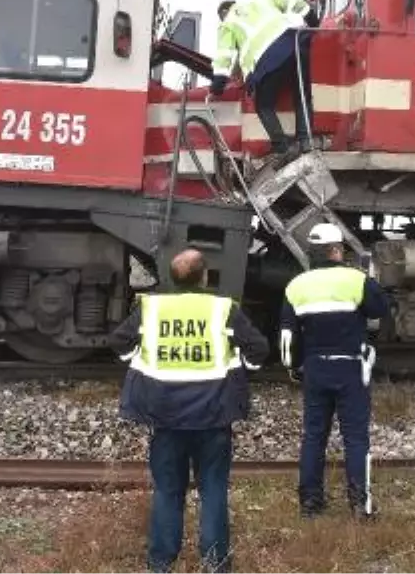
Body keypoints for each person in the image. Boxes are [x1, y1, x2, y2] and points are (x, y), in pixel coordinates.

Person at [110, 247, 270, 574]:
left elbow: (119, 342)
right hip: (213, 416)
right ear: (205, 276)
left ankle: (161, 563)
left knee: (168, 490)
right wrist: (240, 368)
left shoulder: (152, 308)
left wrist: (139, 363)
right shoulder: (222, 308)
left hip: (165, 416)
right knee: (213, 490)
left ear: (171, 277)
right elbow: (259, 349)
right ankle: (215, 563)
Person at [279, 222, 389, 520]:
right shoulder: (355, 280)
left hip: (315, 369)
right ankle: (359, 505)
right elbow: (381, 310)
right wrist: (370, 281)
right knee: (355, 438)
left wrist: (294, 369)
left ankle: (310, 504)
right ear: (336, 250)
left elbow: (288, 339)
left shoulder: (296, 286)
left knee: (314, 436)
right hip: (350, 368)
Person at [210, 0, 320, 165]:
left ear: (223, 13)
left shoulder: (228, 23)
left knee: (263, 105)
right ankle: (305, 140)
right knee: (302, 94)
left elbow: (225, 55)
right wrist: (313, 19)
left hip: (267, 59)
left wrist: (218, 84)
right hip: (294, 43)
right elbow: (294, 1)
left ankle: (282, 148)